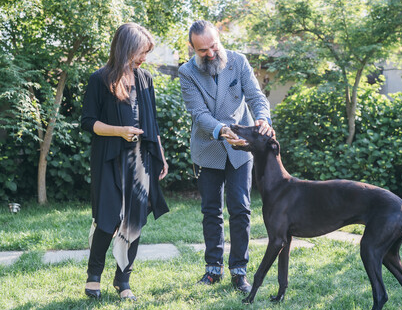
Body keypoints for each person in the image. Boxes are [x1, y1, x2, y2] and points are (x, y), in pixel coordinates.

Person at [178, 20, 274, 293]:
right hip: (208, 148)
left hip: (241, 151)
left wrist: (263, 119)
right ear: (192, 48)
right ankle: (212, 269)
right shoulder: (186, 72)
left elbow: (256, 97)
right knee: (211, 211)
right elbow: (198, 114)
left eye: (213, 46)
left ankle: (239, 271)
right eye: (202, 50)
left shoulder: (239, 62)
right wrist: (222, 130)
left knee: (241, 209)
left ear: (219, 39)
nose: (210, 53)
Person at [81, 22, 169, 301]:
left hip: (141, 158)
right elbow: (88, 122)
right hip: (108, 157)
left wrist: (161, 156)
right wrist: (119, 131)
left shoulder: (145, 79)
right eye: (141, 52)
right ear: (126, 48)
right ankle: (94, 275)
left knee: (133, 220)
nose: (144, 58)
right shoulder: (99, 79)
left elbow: (152, 121)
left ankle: (123, 280)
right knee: (106, 219)